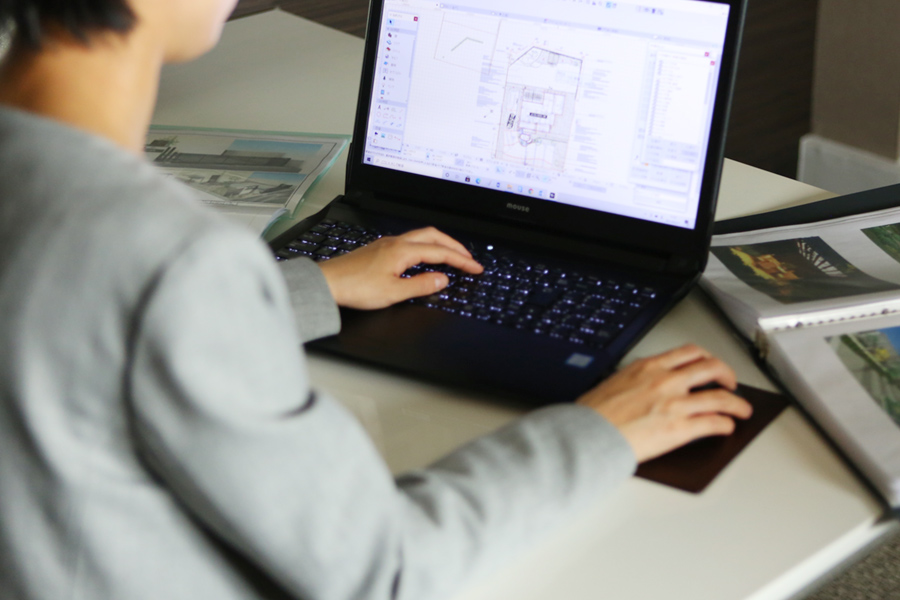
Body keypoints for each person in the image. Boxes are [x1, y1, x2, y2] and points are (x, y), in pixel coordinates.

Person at [0, 1, 753, 599]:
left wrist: (299, 289)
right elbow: (381, 570)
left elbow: (71, 321)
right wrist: (601, 430)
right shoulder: (170, 259)